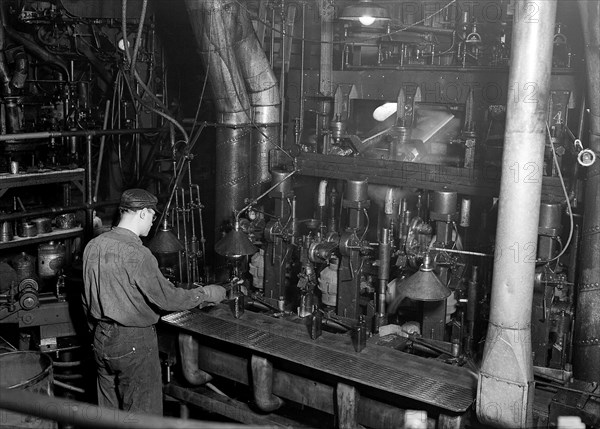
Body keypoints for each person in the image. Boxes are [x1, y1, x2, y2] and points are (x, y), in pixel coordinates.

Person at [82, 188, 226, 415]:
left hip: (101, 339)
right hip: (134, 342)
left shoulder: (94, 245)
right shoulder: (138, 254)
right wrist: (205, 293)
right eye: (152, 215)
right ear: (141, 213)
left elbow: (85, 298)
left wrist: (97, 332)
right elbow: (168, 298)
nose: (153, 222)